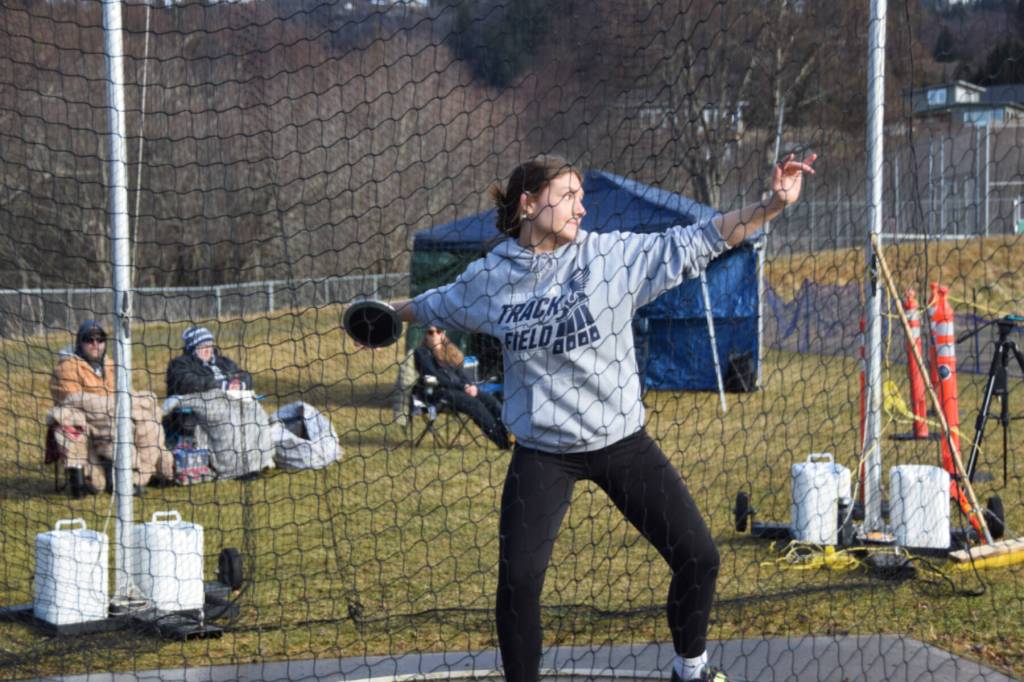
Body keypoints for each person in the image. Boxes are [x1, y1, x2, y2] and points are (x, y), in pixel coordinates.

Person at [370, 152, 816, 682]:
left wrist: (771, 205)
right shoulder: (490, 279)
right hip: (543, 454)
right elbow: (434, 303)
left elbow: (702, 238)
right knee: (519, 582)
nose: (582, 208)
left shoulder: (611, 259)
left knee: (699, 556)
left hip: (621, 443)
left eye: (583, 197)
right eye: (569, 196)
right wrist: (381, 314)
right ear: (528, 203)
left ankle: (690, 669)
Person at [48, 319, 174, 496]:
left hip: (115, 414)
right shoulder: (67, 367)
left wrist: (135, 402)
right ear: (79, 342)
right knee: (99, 481)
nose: (95, 344)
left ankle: (139, 479)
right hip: (89, 419)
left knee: (150, 421)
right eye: (89, 340)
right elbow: (72, 398)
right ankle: (112, 478)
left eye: (100, 340)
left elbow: (128, 392)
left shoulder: (112, 365)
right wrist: (117, 405)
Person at [413, 325, 511, 449]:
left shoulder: (448, 350)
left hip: (458, 389)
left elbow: (461, 374)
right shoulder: (421, 352)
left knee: (489, 400)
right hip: (436, 392)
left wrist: (470, 385)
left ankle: (510, 433)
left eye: (438, 331)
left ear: (443, 333)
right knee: (475, 405)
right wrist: (463, 386)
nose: (435, 335)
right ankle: (502, 442)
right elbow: (435, 376)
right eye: (430, 332)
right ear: (425, 335)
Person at [166, 326, 252, 396]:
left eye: (210, 345)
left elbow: (245, 376)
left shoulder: (224, 362)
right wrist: (222, 385)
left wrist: (239, 384)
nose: (208, 350)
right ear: (192, 349)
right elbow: (189, 382)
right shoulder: (180, 364)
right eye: (203, 346)